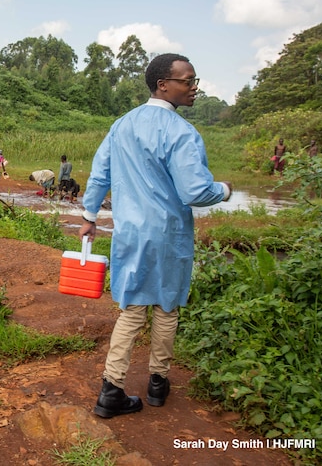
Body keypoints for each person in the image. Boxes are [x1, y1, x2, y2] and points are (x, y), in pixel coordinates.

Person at [78, 53, 232, 419]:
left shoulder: (122, 125)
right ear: (164, 84)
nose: (194, 88)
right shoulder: (181, 132)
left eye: (195, 81)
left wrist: (89, 216)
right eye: (188, 81)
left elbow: (101, 172)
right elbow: (195, 191)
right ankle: (158, 384)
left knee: (131, 308)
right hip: (169, 235)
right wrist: (223, 189)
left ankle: (111, 389)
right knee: (166, 307)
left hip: (130, 232)